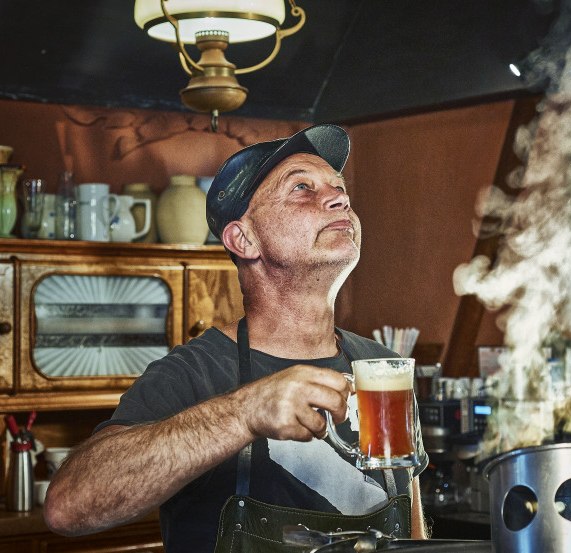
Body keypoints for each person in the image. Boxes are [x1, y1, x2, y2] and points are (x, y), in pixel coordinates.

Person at [44, 124, 429, 552]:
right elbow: (68, 506)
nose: (340, 198)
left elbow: (409, 523)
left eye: (340, 189)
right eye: (302, 188)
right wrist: (244, 412)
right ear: (243, 239)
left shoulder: (383, 369)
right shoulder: (193, 373)